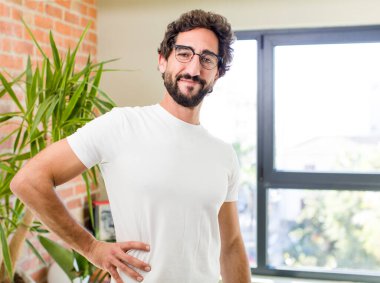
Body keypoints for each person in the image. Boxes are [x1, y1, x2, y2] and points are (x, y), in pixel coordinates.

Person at [11, 9, 251, 283]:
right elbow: (28, 181)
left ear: (217, 73)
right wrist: (91, 247)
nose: (194, 69)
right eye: (184, 54)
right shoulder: (121, 125)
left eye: (207, 59)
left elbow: (231, 246)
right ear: (162, 61)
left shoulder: (223, 155)